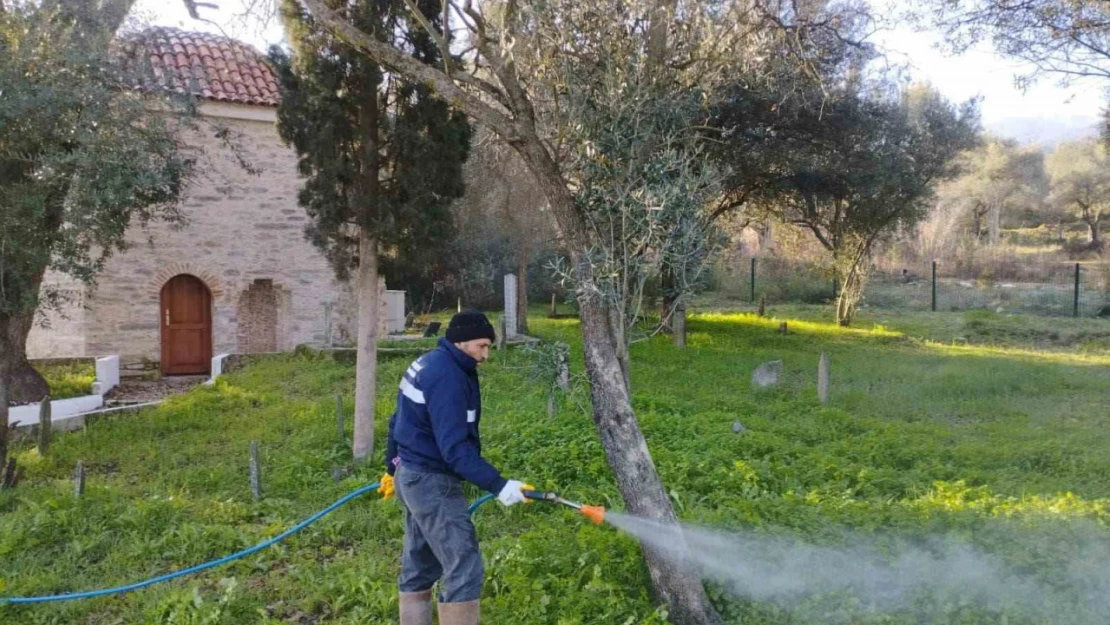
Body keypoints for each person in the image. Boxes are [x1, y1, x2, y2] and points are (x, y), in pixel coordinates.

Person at [379, 310, 530, 625]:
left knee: (420, 565)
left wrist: (392, 468)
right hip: (433, 483)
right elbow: (455, 450)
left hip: (412, 475)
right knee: (464, 567)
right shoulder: (447, 376)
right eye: (482, 346)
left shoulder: (430, 363)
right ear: (461, 342)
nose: (486, 355)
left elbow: (397, 420)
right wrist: (499, 485)